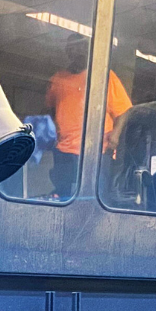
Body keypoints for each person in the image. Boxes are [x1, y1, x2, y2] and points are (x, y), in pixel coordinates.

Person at [45, 33, 132, 199]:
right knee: (63, 197)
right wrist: (53, 128)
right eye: (72, 48)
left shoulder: (104, 77)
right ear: (67, 51)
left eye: (80, 48)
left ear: (87, 51)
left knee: (93, 200)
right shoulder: (57, 79)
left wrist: (116, 134)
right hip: (64, 150)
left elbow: (124, 110)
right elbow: (49, 108)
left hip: (96, 151)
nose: (76, 52)